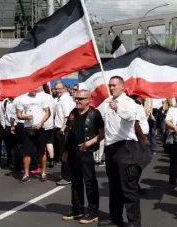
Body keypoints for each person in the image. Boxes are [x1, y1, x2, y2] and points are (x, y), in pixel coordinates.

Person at [98, 76, 144, 227]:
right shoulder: (107, 103)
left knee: (128, 188)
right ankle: (115, 218)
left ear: (122, 87)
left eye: (114, 85)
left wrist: (117, 108)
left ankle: (134, 223)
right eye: (110, 86)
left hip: (125, 147)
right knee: (114, 186)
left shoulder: (128, 103)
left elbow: (131, 117)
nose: (111, 88)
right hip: (111, 148)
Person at [61, 90, 104, 224]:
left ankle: (92, 211)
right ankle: (77, 209)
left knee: (90, 182)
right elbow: (69, 132)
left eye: (80, 98)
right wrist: (66, 151)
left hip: (87, 152)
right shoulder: (73, 113)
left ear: (88, 100)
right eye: (76, 98)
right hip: (73, 151)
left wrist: (89, 143)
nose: (77, 101)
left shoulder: (94, 114)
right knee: (75, 181)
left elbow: (102, 134)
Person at [17, 88, 50, 183]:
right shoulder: (22, 99)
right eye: (33, 87)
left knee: (41, 152)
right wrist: (26, 117)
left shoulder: (42, 98)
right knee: (26, 153)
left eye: (36, 87)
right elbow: (19, 115)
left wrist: (41, 122)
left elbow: (48, 113)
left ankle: (43, 172)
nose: (35, 89)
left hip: (39, 129)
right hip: (28, 129)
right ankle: (26, 174)